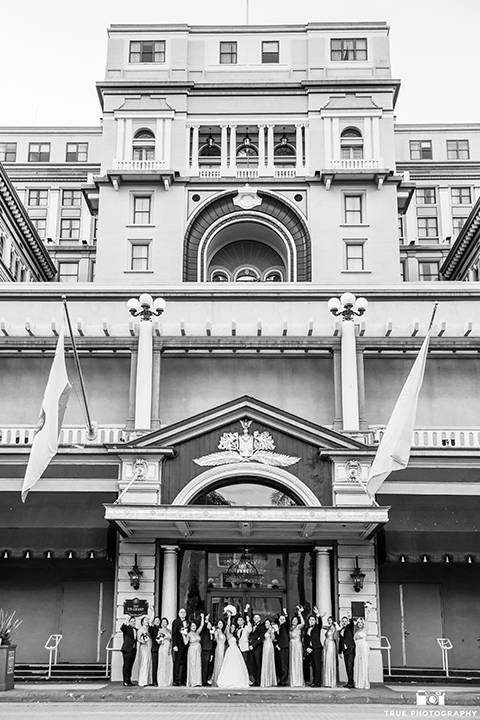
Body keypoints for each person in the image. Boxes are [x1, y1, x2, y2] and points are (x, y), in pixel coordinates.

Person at [217, 609, 249, 688]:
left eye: (234, 627)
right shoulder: (228, 634)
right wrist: (229, 617)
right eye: (231, 627)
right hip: (230, 650)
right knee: (229, 665)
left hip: (236, 650)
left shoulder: (235, 634)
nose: (232, 628)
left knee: (237, 665)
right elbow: (227, 625)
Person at [353, 602, 372, 690]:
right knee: (358, 664)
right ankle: (358, 682)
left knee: (364, 664)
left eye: (361, 622)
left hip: (363, 648)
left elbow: (367, 621)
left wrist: (367, 611)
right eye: (359, 622)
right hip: (358, 648)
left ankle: (365, 683)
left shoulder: (365, 630)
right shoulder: (356, 631)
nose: (360, 623)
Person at [185, 613, 205, 687]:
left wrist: (202, 617)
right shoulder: (189, 634)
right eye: (192, 626)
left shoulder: (197, 633)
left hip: (198, 650)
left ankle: (198, 682)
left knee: (198, 665)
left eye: (194, 626)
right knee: (192, 665)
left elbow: (202, 626)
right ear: (190, 627)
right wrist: (184, 635)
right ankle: (193, 681)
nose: (194, 627)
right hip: (192, 650)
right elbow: (185, 642)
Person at [304, 607, 323, 687]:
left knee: (317, 665)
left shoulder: (317, 628)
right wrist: (307, 648)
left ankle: (318, 682)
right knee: (313, 666)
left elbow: (320, 623)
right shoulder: (307, 629)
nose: (311, 621)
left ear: (315, 621)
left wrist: (318, 615)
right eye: (310, 620)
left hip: (317, 648)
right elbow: (305, 640)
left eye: (313, 620)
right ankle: (314, 681)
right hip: (310, 649)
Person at [289, 606, 305, 687]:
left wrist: (300, 614)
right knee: (292, 662)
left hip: (297, 646)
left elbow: (303, 623)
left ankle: (298, 681)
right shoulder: (291, 628)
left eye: (296, 620)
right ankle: (293, 680)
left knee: (297, 661)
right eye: (293, 620)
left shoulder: (298, 627)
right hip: (292, 646)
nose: (294, 621)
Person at [172, 608, 188, 686]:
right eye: (181, 612)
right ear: (178, 613)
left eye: (184, 612)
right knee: (177, 663)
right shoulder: (176, 622)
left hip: (186, 645)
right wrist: (174, 645)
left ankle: (183, 680)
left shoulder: (188, 622)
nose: (183, 614)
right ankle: (176, 680)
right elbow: (174, 634)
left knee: (185, 663)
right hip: (178, 645)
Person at [322, 615, 340, 688]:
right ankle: (327, 681)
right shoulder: (328, 627)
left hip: (331, 644)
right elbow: (322, 626)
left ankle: (331, 681)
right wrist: (320, 616)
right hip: (326, 644)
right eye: (328, 620)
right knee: (326, 661)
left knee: (330, 660)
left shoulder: (333, 627)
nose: (329, 621)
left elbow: (336, 636)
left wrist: (336, 625)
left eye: (330, 620)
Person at [338, 614, 356, 689]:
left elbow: (352, 624)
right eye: (343, 621)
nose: (344, 622)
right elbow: (340, 641)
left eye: (346, 621)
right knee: (347, 666)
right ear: (341, 622)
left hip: (350, 649)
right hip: (345, 650)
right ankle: (349, 681)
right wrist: (340, 651)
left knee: (350, 666)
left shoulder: (349, 627)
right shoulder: (341, 630)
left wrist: (350, 618)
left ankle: (351, 682)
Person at [248, 611, 265, 686]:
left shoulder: (262, 627)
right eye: (255, 618)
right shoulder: (252, 626)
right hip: (251, 647)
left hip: (257, 648)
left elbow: (261, 639)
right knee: (253, 664)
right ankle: (255, 680)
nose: (256, 619)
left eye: (257, 618)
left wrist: (253, 645)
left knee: (258, 665)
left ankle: (258, 680)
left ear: (260, 619)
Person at [120, 616, 137, 687]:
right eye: (132, 621)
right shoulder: (126, 628)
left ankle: (129, 680)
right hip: (127, 649)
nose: (133, 622)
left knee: (130, 665)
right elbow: (122, 628)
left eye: (134, 621)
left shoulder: (136, 629)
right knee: (126, 665)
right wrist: (125, 622)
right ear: (129, 622)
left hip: (133, 649)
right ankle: (125, 681)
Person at [156, 617, 173, 687]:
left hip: (168, 647)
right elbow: (157, 640)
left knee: (169, 663)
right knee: (162, 663)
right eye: (163, 622)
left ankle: (168, 681)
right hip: (163, 647)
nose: (164, 623)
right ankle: (162, 681)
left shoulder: (169, 631)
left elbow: (171, 641)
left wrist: (170, 649)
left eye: (165, 622)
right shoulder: (160, 631)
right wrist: (160, 641)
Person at [274, 608, 289, 686]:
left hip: (284, 647)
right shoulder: (278, 627)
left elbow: (287, 622)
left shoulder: (285, 626)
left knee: (284, 665)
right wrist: (277, 645)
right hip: (278, 648)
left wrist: (285, 613)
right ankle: (280, 680)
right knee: (279, 665)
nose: (282, 620)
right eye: (281, 619)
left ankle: (284, 681)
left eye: (283, 619)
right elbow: (277, 638)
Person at [260, 618, 277, 687]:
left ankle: (269, 680)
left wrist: (272, 632)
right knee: (265, 661)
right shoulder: (265, 630)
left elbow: (273, 638)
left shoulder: (271, 630)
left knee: (269, 661)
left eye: (268, 623)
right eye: (265, 623)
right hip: (265, 645)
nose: (266, 624)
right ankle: (265, 680)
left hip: (269, 645)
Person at [137, 616, 153, 687]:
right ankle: (142, 681)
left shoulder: (149, 629)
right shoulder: (140, 630)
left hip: (149, 646)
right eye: (145, 620)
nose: (147, 621)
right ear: (142, 622)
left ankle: (149, 680)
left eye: (147, 620)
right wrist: (143, 641)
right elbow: (138, 639)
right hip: (144, 647)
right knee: (144, 662)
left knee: (149, 662)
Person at [200, 616, 215, 686]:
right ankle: (203, 681)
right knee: (204, 667)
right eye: (208, 624)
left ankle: (205, 680)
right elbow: (203, 627)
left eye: (210, 624)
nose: (209, 625)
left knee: (207, 666)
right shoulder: (205, 631)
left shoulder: (211, 633)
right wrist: (205, 620)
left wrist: (211, 653)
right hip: (205, 650)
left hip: (209, 651)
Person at [212, 619, 226, 686]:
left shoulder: (222, 631)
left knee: (222, 662)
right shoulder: (217, 631)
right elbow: (215, 639)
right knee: (219, 662)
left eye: (221, 623)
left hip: (223, 648)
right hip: (219, 648)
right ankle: (217, 679)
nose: (221, 625)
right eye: (219, 623)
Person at [149, 616, 161, 686]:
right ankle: (154, 681)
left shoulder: (162, 629)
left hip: (162, 649)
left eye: (158, 620)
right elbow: (150, 631)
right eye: (156, 620)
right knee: (155, 665)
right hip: (155, 649)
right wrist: (151, 624)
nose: (157, 621)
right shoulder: (152, 629)